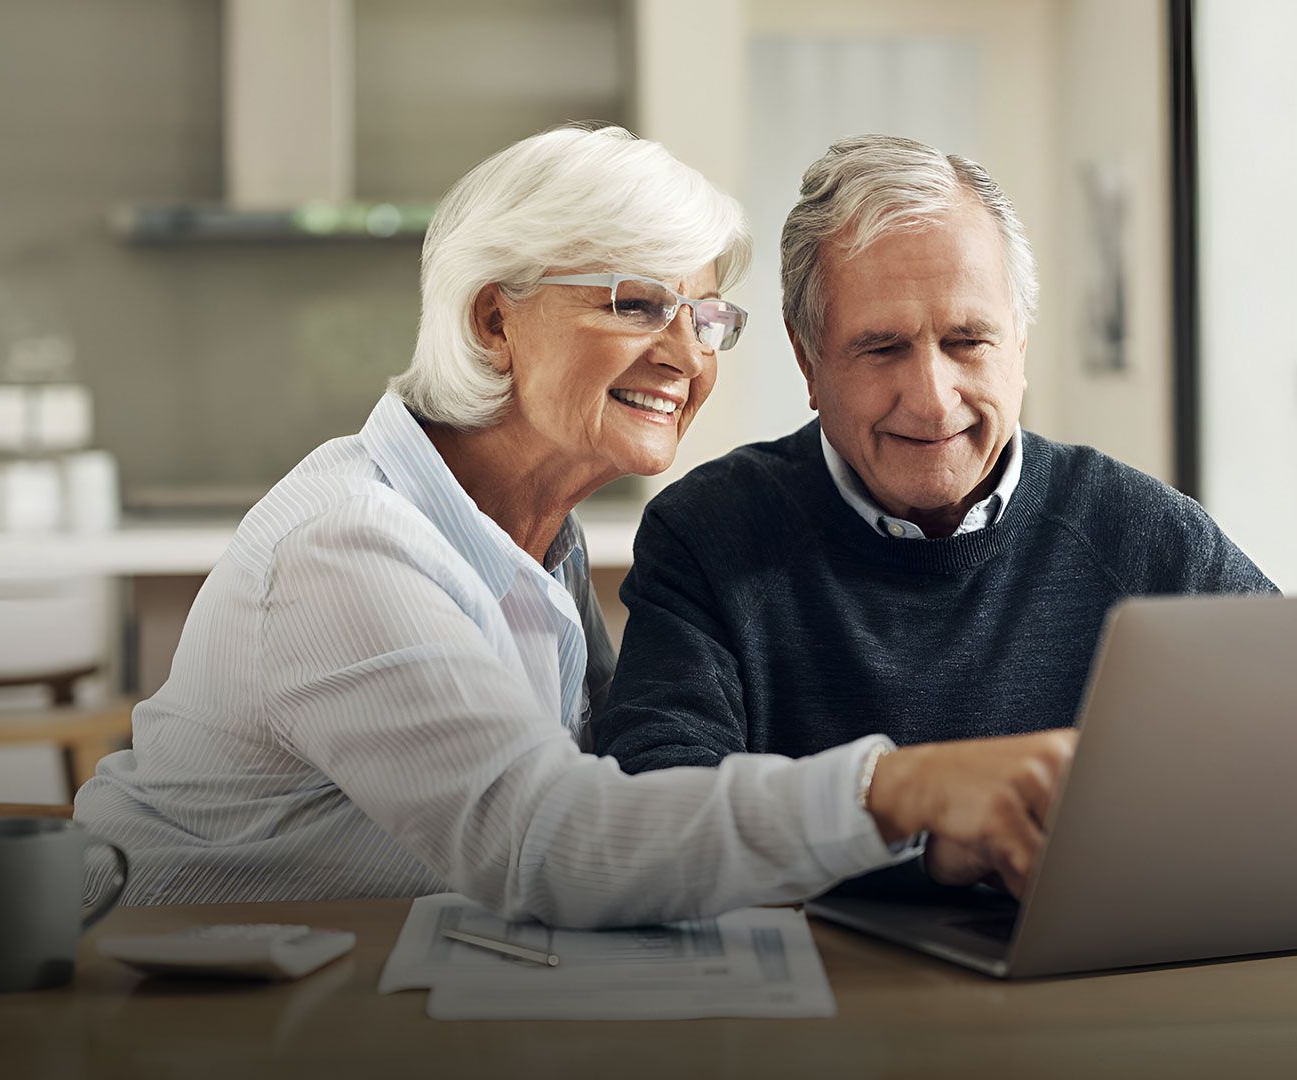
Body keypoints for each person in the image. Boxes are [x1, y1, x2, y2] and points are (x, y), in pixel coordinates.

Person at [74, 126, 1078, 926]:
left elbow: (628, 807)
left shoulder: (532, 540)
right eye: (637, 305)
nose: (686, 356)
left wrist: (934, 842)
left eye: (705, 316)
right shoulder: (345, 546)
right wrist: (895, 790)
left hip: (354, 987)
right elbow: (551, 843)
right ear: (492, 322)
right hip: (156, 1006)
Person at [595, 135, 1273, 892]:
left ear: (1019, 343)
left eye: (967, 341)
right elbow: (654, 815)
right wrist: (920, 843)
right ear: (806, 360)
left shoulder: (1148, 535)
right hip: (826, 993)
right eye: (882, 348)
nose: (931, 398)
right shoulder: (707, 535)